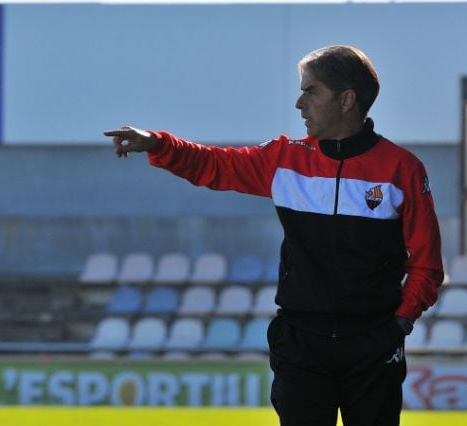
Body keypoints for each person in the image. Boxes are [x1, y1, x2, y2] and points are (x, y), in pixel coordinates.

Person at [104, 45, 444, 426]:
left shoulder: (403, 169)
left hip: (372, 346)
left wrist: (398, 325)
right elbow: (215, 165)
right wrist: (158, 143)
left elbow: (427, 265)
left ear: (347, 99)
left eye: (311, 90)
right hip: (299, 342)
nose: (300, 103)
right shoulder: (285, 157)